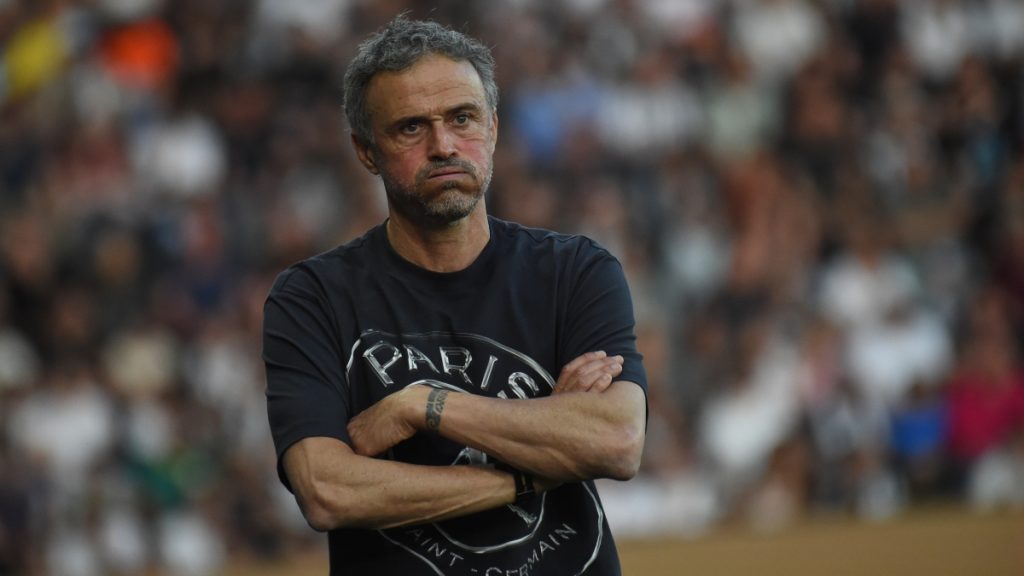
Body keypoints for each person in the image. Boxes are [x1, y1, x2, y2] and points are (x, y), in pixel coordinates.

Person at [263, 16, 648, 576]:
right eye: (411, 128)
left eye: (462, 118)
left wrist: (423, 404)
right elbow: (328, 492)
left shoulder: (575, 271)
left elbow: (617, 441)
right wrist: (533, 471)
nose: (443, 145)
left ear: (493, 129)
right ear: (366, 151)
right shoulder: (312, 298)